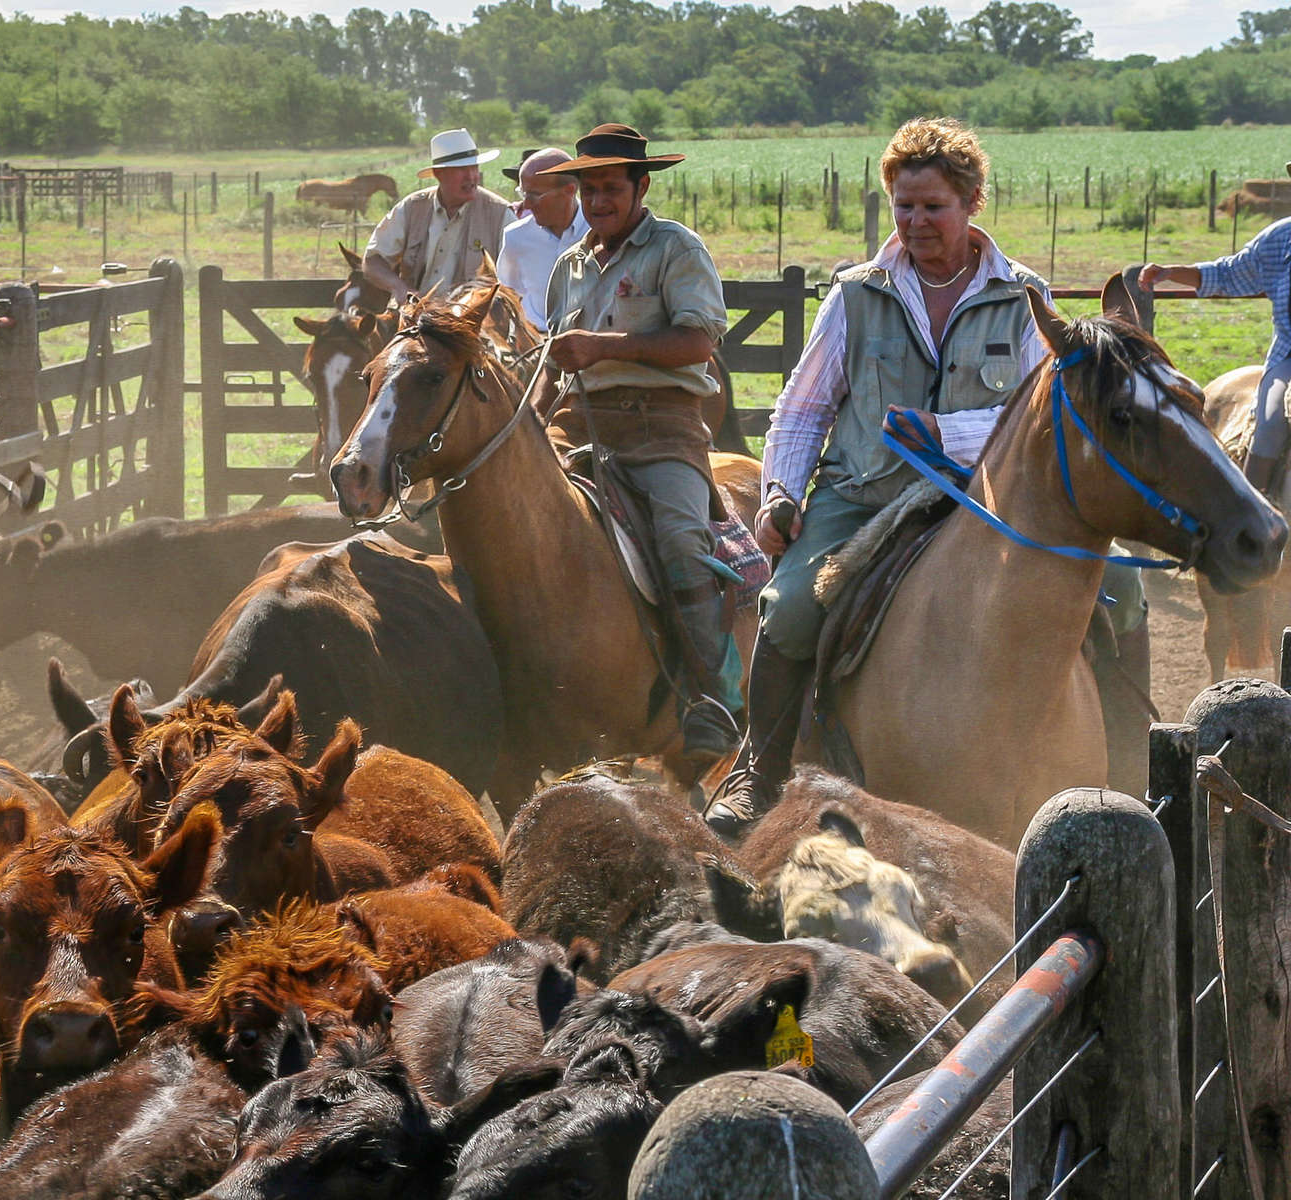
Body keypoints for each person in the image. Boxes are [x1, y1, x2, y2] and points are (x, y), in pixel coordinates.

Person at [707, 117, 1148, 834]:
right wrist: (780, 493)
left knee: (1124, 587)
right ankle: (760, 774)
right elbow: (803, 405)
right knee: (787, 607)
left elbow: (1042, 419)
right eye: (903, 206)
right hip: (865, 497)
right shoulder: (856, 294)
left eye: (932, 206)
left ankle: (1134, 774)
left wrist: (949, 433)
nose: (914, 222)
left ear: (972, 203)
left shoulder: (1022, 296)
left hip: (990, 503)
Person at [536, 123, 740, 760]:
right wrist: (534, 420)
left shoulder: (676, 249)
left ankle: (711, 700)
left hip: (662, 427)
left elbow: (699, 341)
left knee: (681, 538)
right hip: (577, 423)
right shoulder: (568, 267)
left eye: (609, 188)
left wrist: (601, 347)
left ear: (640, 186)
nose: (598, 201)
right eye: (588, 189)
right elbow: (553, 360)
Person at [1140, 175, 1291, 494]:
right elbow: (1229, 272)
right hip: (1289, 357)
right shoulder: (1282, 238)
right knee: (1271, 420)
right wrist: (1172, 273)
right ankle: (1256, 518)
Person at [364, 128, 511, 306]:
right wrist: (399, 288)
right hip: (412, 318)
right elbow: (373, 260)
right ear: (439, 174)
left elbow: (519, 279)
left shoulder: (500, 213)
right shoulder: (412, 207)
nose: (471, 176)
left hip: (471, 325)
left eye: (474, 167)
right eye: (462, 169)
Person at [496, 147, 590, 329]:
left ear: (569, 191)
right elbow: (509, 295)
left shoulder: (598, 233)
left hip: (592, 348)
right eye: (523, 193)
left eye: (534, 195)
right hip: (535, 347)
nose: (526, 204)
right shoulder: (516, 237)